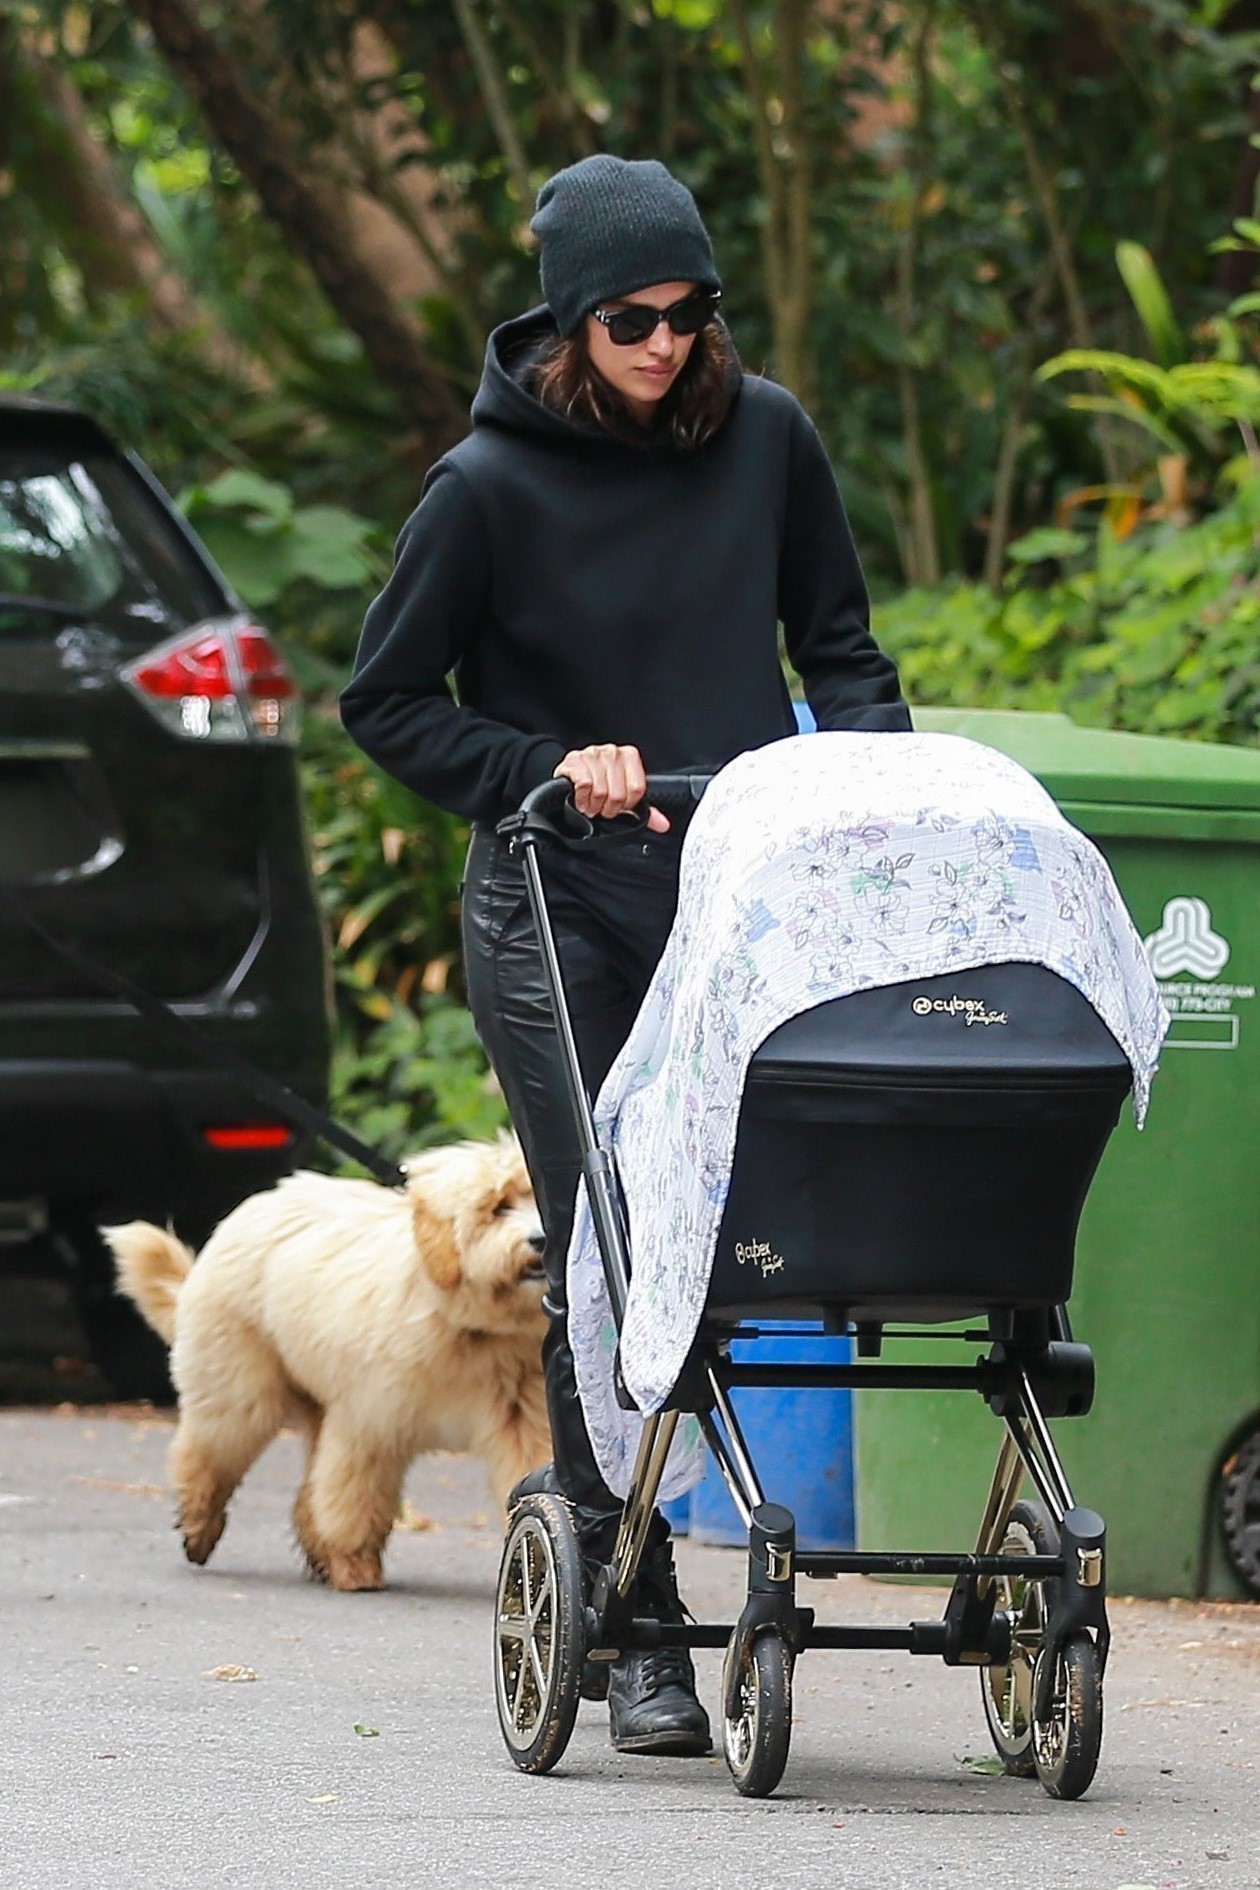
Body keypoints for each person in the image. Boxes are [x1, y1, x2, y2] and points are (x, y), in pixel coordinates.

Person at [340, 153, 912, 1756]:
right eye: (632, 321)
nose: (667, 346)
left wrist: (866, 796)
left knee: (745, 1230)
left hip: (738, 892)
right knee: (612, 1236)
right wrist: (536, 762)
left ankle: (623, 1528)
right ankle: (644, 1621)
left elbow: (845, 652)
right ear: (571, 324)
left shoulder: (770, 438)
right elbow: (385, 702)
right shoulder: (484, 488)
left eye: (690, 314)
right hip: (559, 903)